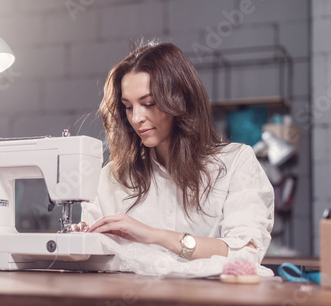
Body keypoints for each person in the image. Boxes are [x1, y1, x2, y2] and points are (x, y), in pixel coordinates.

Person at [81, 41, 274, 265]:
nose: (136, 118)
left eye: (149, 103)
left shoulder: (235, 164)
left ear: (181, 100)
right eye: (129, 106)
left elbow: (246, 253)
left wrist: (156, 236)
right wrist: (78, 240)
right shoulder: (111, 178)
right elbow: (90, 256)